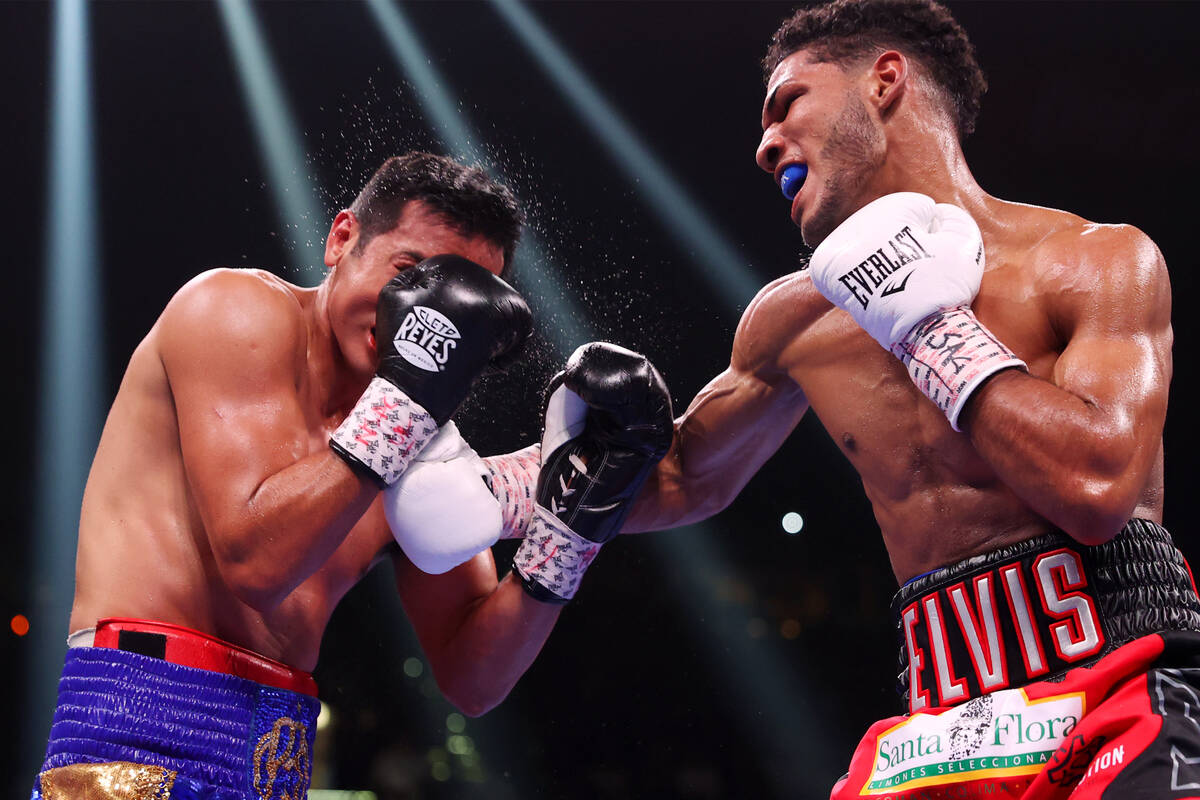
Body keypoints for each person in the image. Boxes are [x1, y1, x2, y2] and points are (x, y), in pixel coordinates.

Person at [616, 1, 1200, 797]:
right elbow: (682, 475)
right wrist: (496, 495)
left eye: (789, 103)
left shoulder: (1091, 261)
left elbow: (1097, 489)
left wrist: (926, 327)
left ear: (885, 80)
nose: (763, 146)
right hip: (940, 727)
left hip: (1117, 686)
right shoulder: (790, 320)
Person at [31, 152, 672, 800]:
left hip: (276, 762)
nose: (422, 319)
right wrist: (409, 399)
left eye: (459, 310)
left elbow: (474, 679)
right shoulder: (233, 311)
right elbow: (256, 566)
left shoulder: (419, 445)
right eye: (409, 274)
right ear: (342, 239)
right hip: (132, 748)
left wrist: (563, 539)